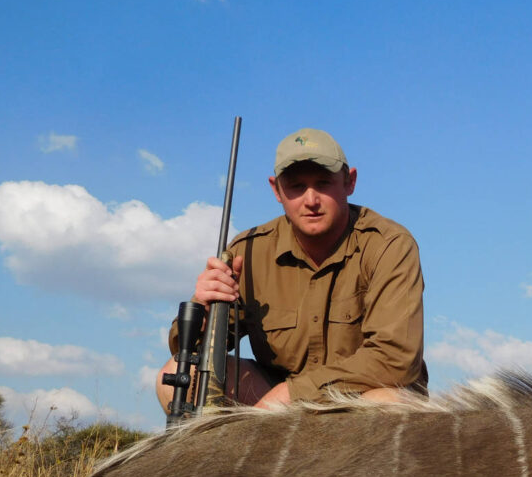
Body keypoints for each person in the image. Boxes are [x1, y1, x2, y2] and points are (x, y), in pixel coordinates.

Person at [156, 128, 428, 412]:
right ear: (276, 190)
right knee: (175, 377)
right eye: (296, 186)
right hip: (275, 400)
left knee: (390, 404)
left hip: (355, 398)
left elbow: (394, 359)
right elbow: (187, 353)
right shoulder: (247, 250)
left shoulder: (390, 245)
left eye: (323, 183)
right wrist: (204, 310)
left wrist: (291, 395)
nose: (311, 200)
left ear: (350, 182)